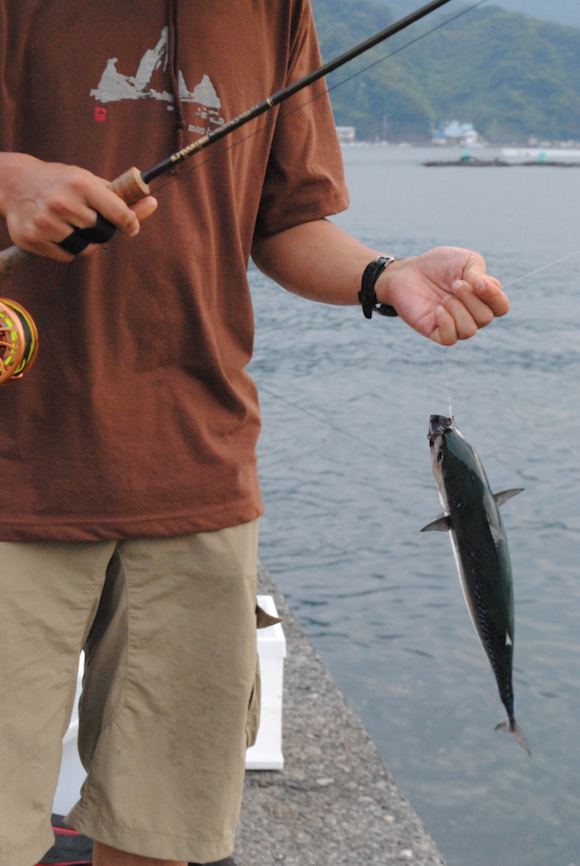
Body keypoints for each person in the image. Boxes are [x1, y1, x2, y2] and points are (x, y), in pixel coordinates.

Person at [0, 3, 509, 866]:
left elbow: (285, 221)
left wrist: (387, 278)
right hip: (17, 479)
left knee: (168, 830)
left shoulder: (274, 8)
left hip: (199, 475)